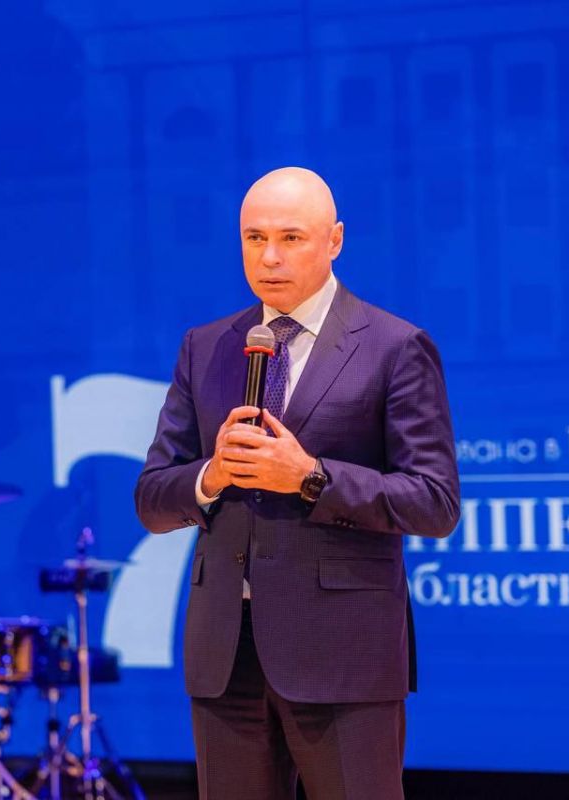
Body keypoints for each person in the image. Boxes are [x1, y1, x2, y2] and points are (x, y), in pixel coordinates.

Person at [134, 167, 460, 799]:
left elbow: (434, 502)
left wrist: (310, 477)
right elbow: (152, 498)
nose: (270, 258)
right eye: (254, 239)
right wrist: (211, 476)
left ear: (334, 240)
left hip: (343, 654)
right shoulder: (206, 346)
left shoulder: (394, 346)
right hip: (226, 656)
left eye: (291, 237)